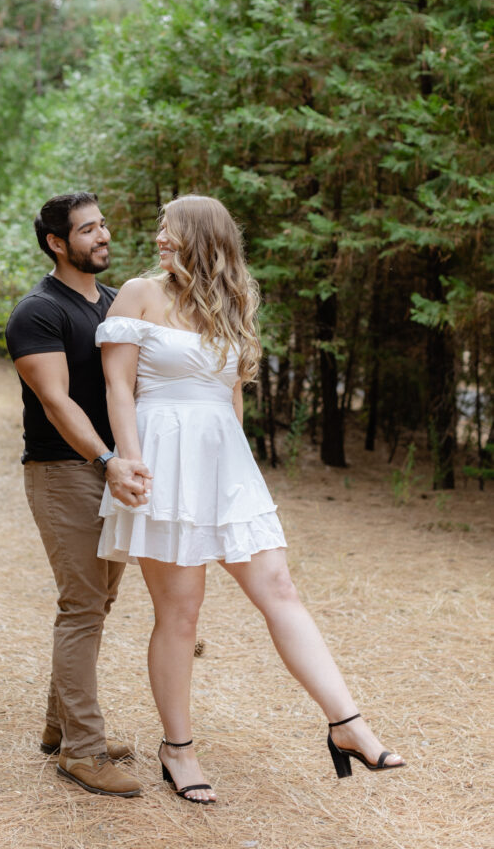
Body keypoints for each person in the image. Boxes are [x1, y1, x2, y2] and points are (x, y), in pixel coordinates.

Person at [95, 194, 405, 805]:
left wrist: (240, 468)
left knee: (279, 589)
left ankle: (347, 723)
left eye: (169, 230)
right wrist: (128, 463)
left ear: (201, 236)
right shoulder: (138, 293)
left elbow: (232, 397)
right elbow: (118, 387)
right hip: (162, 459)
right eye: (159, 230)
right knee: (181, 614)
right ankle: (177, 749)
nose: (158, 239)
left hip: (224, 463)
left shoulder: (231, 300)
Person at [5, 192, 151, 799]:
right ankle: (83, 752)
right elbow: (57, 401)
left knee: (98, 602)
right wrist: (109, 460)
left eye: (103, 225)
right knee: (83, 606)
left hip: (112, 470)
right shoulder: (36, 312)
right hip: (64, 468)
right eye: (88, 230)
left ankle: (60, 726)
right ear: (56, 243)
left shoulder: (116, 305)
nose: (103, 236)